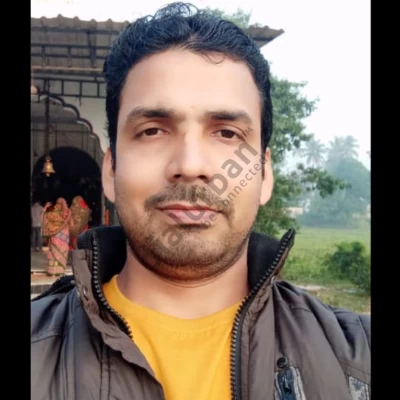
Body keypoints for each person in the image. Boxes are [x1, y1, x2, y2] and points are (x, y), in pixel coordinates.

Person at [31, 3, 370, 400]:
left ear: (264, 175)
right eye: (153, 130)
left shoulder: (356, 358)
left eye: (227, 133)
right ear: (111, 169)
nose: (190, 166)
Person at [41, 197, 71, 275]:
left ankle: (53, 271)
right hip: (64, 236)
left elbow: (44, 218)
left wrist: (45, 208)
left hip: (55, 236)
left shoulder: (52, 213)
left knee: (54, 253)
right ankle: (60, 271)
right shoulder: (67, 213)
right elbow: (70, 224)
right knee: (62, 252)